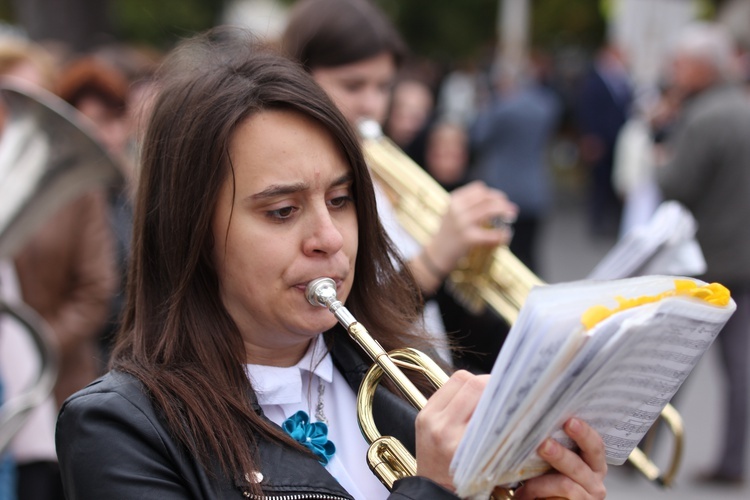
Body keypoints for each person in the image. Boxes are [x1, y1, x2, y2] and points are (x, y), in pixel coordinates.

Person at [55, 27, 608, 499]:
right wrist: (434, 488)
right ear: (191, 232)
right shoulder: (121, 428)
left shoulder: (401, 380)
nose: (328, 238)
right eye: (282, 210)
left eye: (341, 201)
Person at [281, 0, 518, 367]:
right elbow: (341, 313)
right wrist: (435, 257)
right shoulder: (298, 182)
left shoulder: (381, 164)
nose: (372, 104)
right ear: (301, 76)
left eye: (383, 86)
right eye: (353, 85)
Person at [654, 21, 750, 486]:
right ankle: (732, 461)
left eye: (680, 64)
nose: (674, 72)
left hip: (705, 262)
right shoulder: (743, 108)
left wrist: (659, 158)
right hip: (745, 261)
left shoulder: (704, 117)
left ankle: (646, 449)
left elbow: (676, 186)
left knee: (673, 361)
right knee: (740, 369)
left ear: (699, 68)